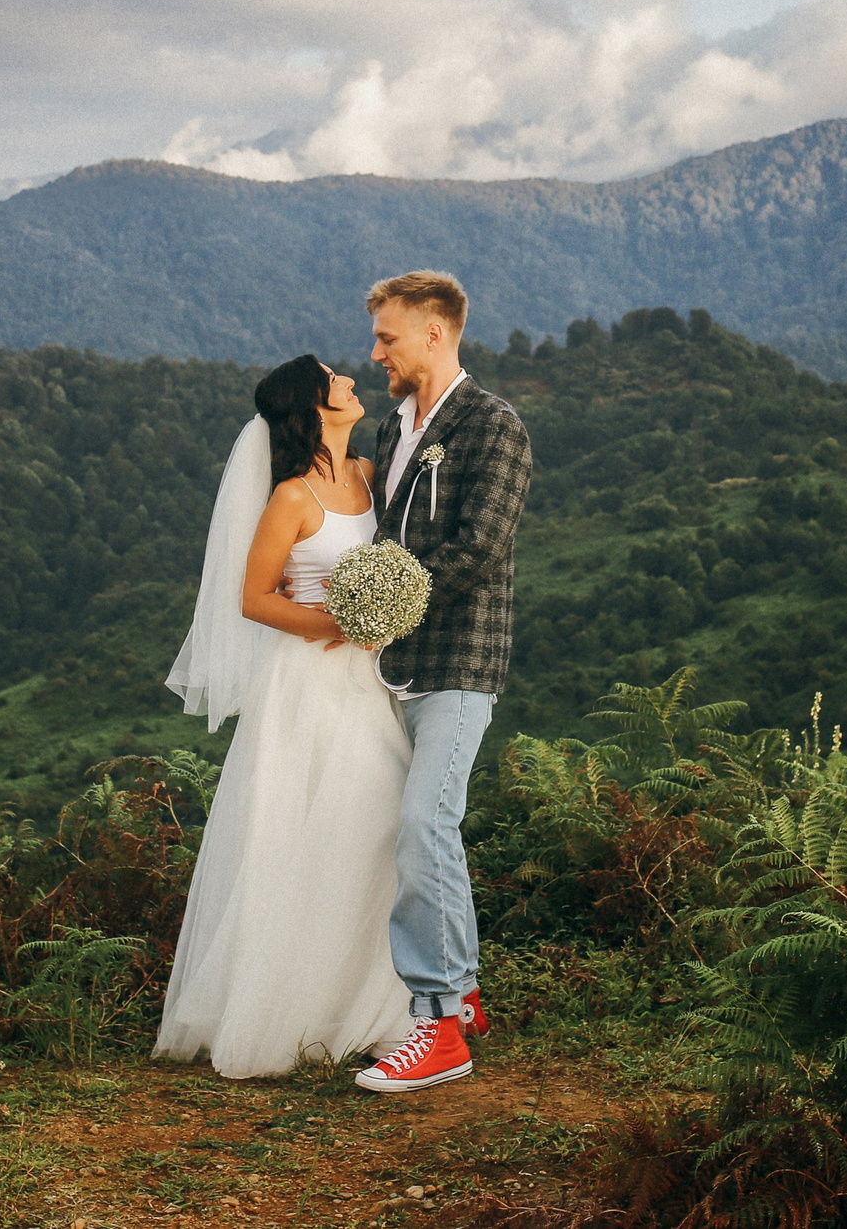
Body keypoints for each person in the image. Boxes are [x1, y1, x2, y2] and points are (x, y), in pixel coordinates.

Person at [152, 355, 417, 1076]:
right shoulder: (292, 497)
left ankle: (374, 1004)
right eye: (335, 378)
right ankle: (290, 1008)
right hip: (307, 684)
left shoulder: (365, 474)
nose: (351, 382)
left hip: (368, 681)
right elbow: (254, 597)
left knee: (377, 828)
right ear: (313, 403)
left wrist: (385, 611)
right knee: (305, 835)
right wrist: (336, 618)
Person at [352, 270, 533, 1094]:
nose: (377, 352)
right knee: (430, 831)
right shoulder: (392, 432)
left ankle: (437, 1026)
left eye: (387, 337)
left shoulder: (494, 424)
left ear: (434, 333)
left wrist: (379, 606)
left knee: (424, 823)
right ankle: (463, 993)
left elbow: (479, 546)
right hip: (395, 671)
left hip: (461, 662)